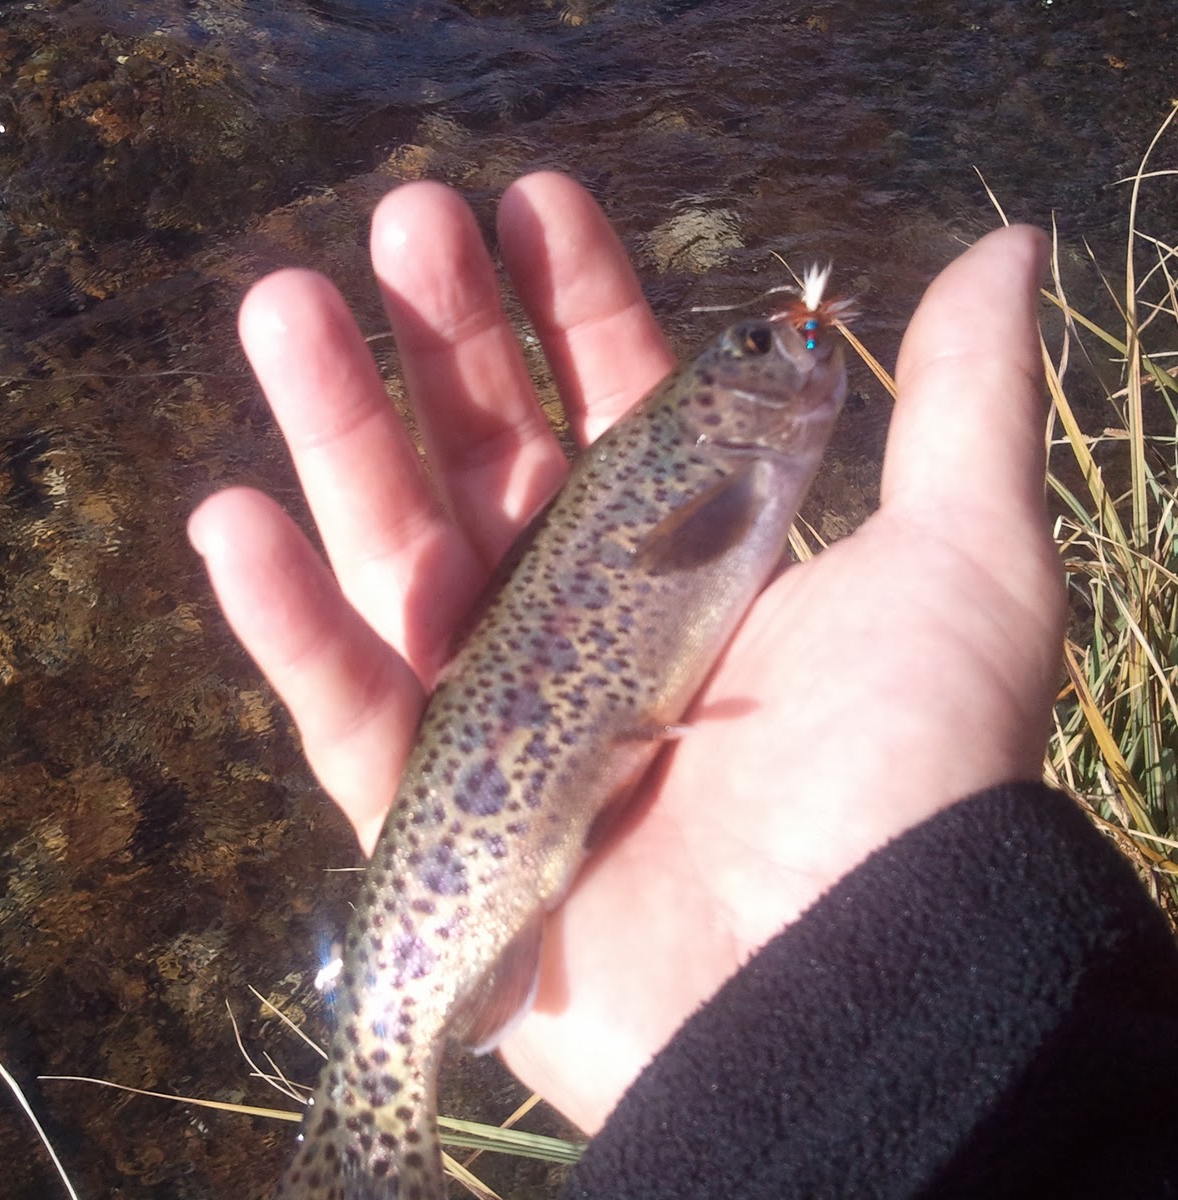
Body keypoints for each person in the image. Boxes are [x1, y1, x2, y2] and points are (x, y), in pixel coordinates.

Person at [188, 173, 1178, 1196]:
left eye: (764, 340)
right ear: (710, 410)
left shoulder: (721, 466)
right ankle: (375, 1107)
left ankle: (366, 1110)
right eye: (752, 349)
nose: (791, 340)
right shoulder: (712, 463)